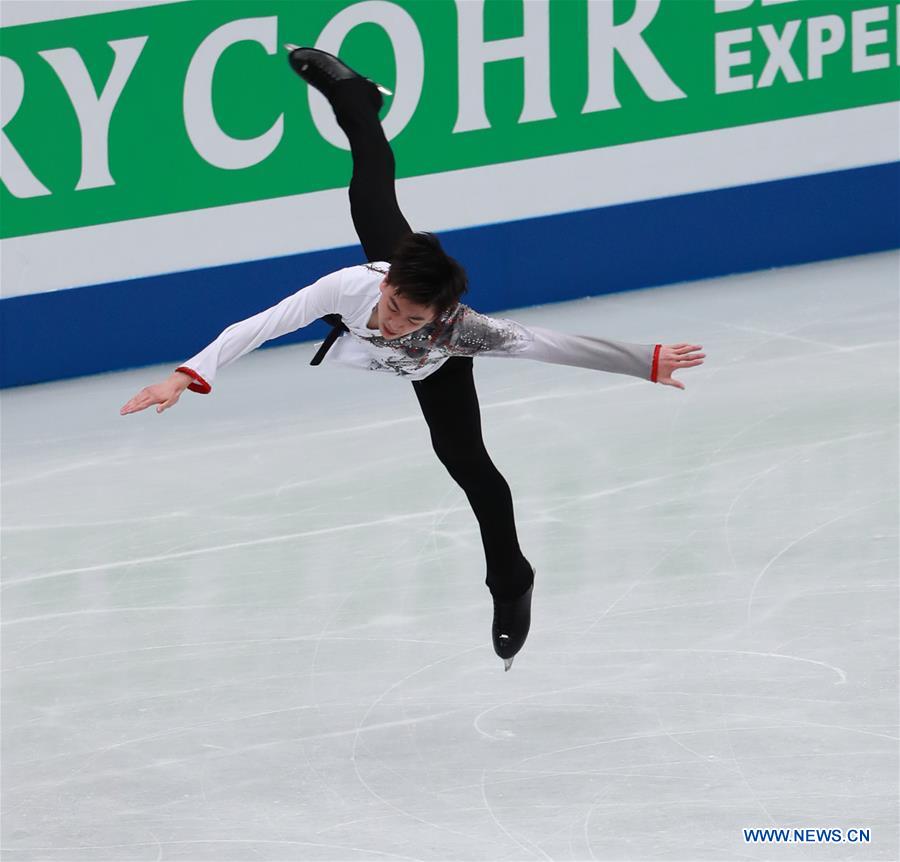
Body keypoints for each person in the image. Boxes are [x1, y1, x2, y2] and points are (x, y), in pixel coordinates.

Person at [120, 46, 706, 671]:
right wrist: (185, 375)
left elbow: (547, 343)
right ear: (390, 282)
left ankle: (511, 581)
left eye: (410, 318)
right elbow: (263, 324)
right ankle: (354, 97)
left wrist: (642, 360)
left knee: (471, 467)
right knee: (368, 182)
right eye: (395, 306)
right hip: (391, 268)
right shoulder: (351, 286)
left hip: (437, 367)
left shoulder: (460, 331)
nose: (395, 322)